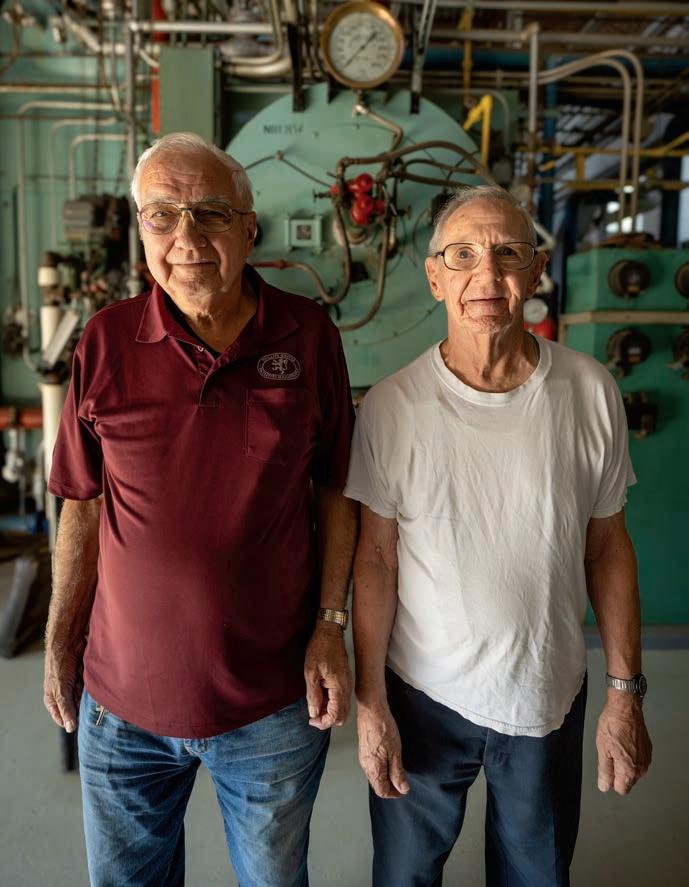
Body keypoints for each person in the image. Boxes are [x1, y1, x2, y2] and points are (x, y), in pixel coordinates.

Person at [43, 132, 357, 887]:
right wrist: (60, 639)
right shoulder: (105, 340)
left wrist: (329, 626)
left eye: (210, 213)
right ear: (140, 229)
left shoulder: (308, 335)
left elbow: (337, 488)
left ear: (248, 228)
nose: (185, 238)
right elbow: (82, 505)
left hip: (271, 704)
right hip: (122, 706)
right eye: (162, 215)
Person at [345, 185, 652, 886]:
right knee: (403, 875)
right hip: (421, 693)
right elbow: (376, 558)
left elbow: (607, 548)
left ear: (536, 270)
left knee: (536, 875)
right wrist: (371, 702)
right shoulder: (392, 406)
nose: (486, 274)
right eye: (461, 255)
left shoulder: (589, 390)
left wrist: (624, 693)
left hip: (545, 694)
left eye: (508, 253)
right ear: (434, 277)